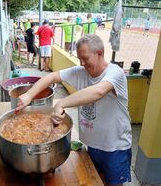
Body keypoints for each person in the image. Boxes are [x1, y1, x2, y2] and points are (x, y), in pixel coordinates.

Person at [16, 34, 132, 186]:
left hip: (115, 147)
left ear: (99, 54)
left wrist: (61, 104)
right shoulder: (81, 72)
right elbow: (51, 77)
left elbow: (98, 92)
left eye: (85, 58)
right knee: (96, 180)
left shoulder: (115, 73)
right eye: (79, 59)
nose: (82, 63)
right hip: (93, 144)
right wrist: (28, 95)